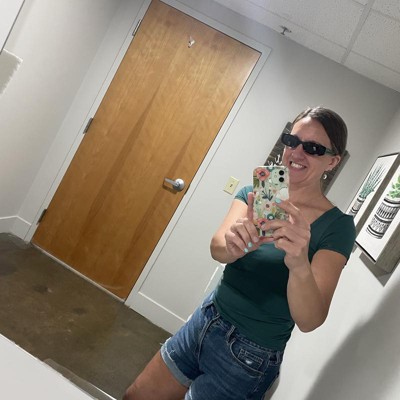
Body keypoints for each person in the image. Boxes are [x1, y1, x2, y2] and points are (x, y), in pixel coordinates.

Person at [123, 106, 356, 400]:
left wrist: (299, 263)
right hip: (207, 317)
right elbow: (217, 249)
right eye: (292, 140)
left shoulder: (337, 226)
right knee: (136, 396)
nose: (297, 152)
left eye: (313, 148)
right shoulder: (257, 193)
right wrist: (234, 246)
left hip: (250, 355)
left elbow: (310, 320)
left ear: (333, 161)